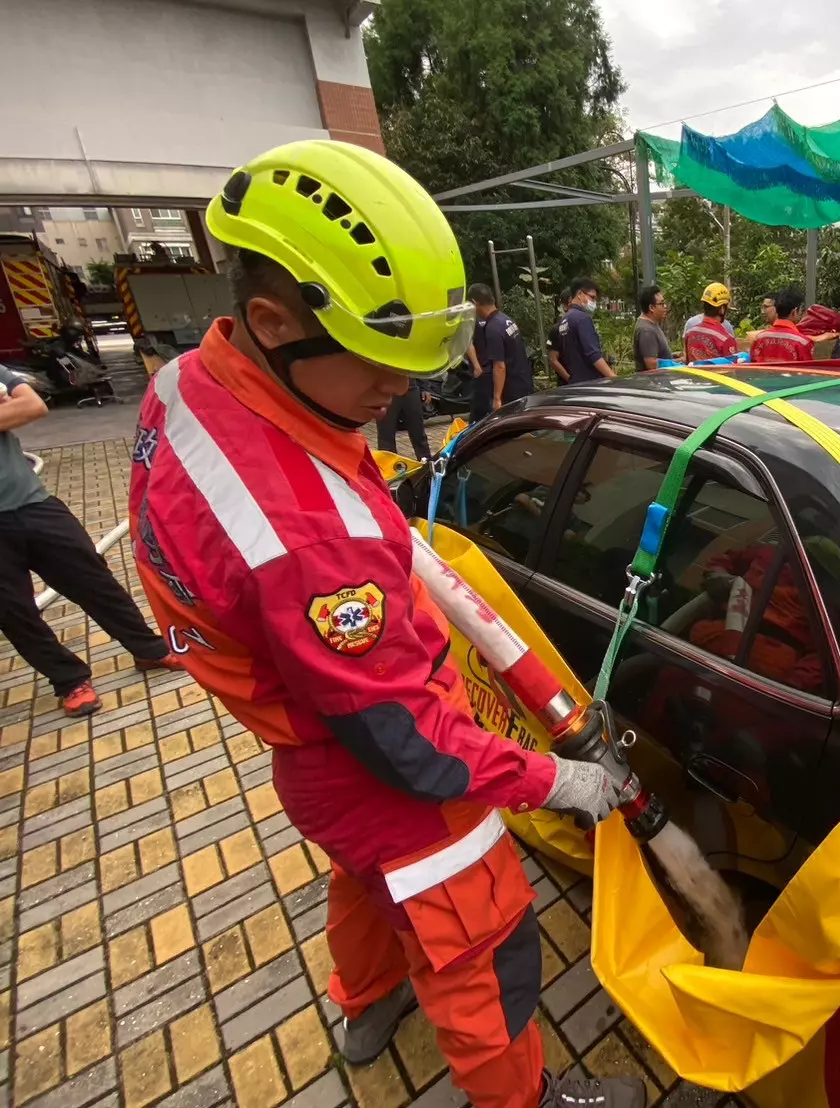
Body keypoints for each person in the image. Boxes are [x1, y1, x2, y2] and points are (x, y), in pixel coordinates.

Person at [128, 140, 644, 1108]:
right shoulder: (310, 542)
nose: (401, 394)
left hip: (311, 756)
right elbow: (411, 746)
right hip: (383, 773)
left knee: (369, 885)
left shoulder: (194, 379)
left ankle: (366, 1000)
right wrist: (558, 778)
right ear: (276, 321)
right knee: (482, 947)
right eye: (377, 366)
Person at [0, 369, 177, 716]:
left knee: (93, 580)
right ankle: (68, 680)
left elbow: (33, 407)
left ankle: (148, 649)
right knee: (12, 611)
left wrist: (15, 406)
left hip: (33, 502)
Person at [468, 284, 534, 419]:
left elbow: (499, 366)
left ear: (475, 303)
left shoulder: (492, 328)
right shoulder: (505, 319)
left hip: (512, 389)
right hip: (523, 381)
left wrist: (497, 398)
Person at [555, 278, 616, 383]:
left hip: (575, 381)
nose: (594, 303)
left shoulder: (565, 320)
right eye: (592, 297)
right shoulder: (582, 319)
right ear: (579, 294)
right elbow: (593, 355)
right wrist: (614, 378)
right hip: (590, 382)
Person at [748, 287, 816, 363]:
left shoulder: (759, 339)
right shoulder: (802, 342)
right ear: (795, 311)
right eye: (801, 310)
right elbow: (805, 372)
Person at [374, 378, 430, 460]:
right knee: (386, 435)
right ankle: (389, 466)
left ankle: (427, 464)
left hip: (411, 389)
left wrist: (425, 388)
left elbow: (420, 366)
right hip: (387, 392)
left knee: (418, 432)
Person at [684, 283, 739, 362]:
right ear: (722, 309)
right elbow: (733, 370)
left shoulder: (689, 333)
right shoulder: (725, 339)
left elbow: (687, 362)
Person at [632, 285, 672, 371]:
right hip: (652, 382)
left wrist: (676, 355)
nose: (665, 307)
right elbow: (651, 364)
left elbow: (660, 354)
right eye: (661, 304)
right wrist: (679, 362)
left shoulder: (652, 325)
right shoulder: (646, 330)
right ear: (651, 308)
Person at [546, 290, 571, 386]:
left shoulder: (585, 325)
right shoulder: (557, 330)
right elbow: (553, 359)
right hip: (568, 384)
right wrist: (569, 379)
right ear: (564, 306)